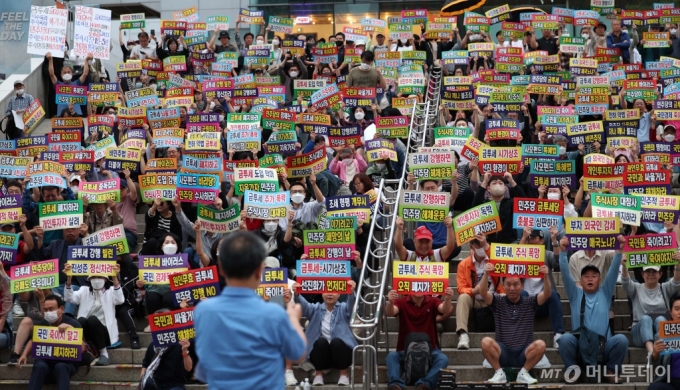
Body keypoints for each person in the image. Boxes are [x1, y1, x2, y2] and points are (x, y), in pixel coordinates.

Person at [194, 231, 307, 389]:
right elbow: (298, 353)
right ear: (260, 270)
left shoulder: (204, 311)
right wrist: (293, 319)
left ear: (222, 269)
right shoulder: (274, 313)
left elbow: (205, 366)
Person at [557, 236, 629, 383]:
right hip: (581, 347)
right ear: (581, 280)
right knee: (564, 339)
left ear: (599, 279)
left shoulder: (605, 292)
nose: (590, 279)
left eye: (594, 276)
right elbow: (564, 274)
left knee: (621, 339)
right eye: (586, 276)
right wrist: (563, 253)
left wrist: (619, 250)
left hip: (603, 347)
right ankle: (573, 371)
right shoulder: (575, 294)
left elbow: (614, 270)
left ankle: (610, 371)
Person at [478, 262, 551, 384]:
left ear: (522, 286)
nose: (512, 288)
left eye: (516, 284)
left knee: (541, 344)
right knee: (485, 341)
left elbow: (547, 294)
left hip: (524, 352)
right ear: (503, 285)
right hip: (503, 352)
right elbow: (483, 293)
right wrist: (486, 273)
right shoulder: (498, 302)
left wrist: (546, 276)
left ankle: (524, 372)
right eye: (508, 284)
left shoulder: (530, 302)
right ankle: (499, 372)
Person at [385, 286, 453, 390]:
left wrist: (447, 299)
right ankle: (395, 384)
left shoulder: (433, 301)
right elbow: (390, 312)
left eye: (421, 285)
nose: (418, 289)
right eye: (415, 285)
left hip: (430, 349)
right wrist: (390, 302)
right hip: (405, 349)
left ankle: (425, 384)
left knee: (443, 359)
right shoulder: (401, 301)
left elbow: (444, 309)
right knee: (391, 356)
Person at [292, 279, 357, 386]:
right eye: (326, 291)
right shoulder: (315, 309)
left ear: (339, 294)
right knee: (320, 342)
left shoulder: (343, 308)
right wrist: (297, 294)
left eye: (333, 291)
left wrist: (351, 293)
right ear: (322, 294)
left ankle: (344, 374)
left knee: (337, 342)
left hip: (341, 354)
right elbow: (304, 306)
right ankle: (318, 374)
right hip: (321, 355)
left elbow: (351, 307)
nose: (330, 294)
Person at [17, 295, 82, 390]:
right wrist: (24, 355)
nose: (48, 312)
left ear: (62, 309)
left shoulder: (74, 324)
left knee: (61, 367)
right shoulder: (44, 323)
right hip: (45, 362)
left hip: (65, 364)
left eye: (51, 309)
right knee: (39, 366)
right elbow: (33, 340)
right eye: (45, 310)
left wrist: (71, 331)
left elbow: (83, 347)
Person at [64, 264, 124, 366]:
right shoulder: (84, 290)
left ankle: (104, 353)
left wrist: (114, 277)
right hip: (88, 332)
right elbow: (69, 298)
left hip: (105, 333)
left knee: (92, 319)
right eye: (94, 277)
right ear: (89, 279)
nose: (96, 280)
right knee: (81, 320)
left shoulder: (110, 292)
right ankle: (85, 348)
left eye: (99, 277)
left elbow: (120, 300)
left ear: (105, 279)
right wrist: (69, 280)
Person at [455, 234, 505, 349]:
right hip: (475, 300)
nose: (482, 245)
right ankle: (463, 334)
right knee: (463, 297)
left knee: (505, 297)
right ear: (472, 246)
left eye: (484, 242)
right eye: (478, 243)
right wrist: (474, 291)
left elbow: (502, 257)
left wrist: (485, 245)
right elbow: (461, 288)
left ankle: (508, 335)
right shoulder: (464, 264)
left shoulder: (494, 259)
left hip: (493, 298)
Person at [621, 259, 680, 355]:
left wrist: (678, 264)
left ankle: (663, 348)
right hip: (639, 334)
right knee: (646, 319)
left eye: (654, 271)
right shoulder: (636, 288)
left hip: (659, 332)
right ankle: (651, 354)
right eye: (648, 271)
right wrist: (624, 267)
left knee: (661, 319)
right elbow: (625, 282)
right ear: (642, 274)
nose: (651, 274)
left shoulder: (664, 288)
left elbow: (676, 281)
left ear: (660, 274)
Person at [140, 318, 193, 390]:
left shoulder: (180, 345)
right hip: (156, 382)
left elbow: (189, 368)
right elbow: (145, 365)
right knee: (146, 383)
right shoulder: (153, 345)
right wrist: (142, 381)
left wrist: (185, 351)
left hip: (175, 384)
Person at [46, 51, 93, 117]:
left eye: (68, 72)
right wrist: (50, 60)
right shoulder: (58, 85)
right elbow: (51, 74)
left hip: (76, 115)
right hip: (62, 116)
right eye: (64, 72)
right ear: (61, 75)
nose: (67, 74)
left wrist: (86, 60)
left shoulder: (77, 83)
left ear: (72, 74)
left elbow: (85, 74)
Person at [649, 295, 680, 388]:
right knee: (654, 387)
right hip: (670, 382)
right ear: (671, 312)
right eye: (677, 309)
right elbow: (655, 367)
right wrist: (654, 355)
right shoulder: (662, 335)